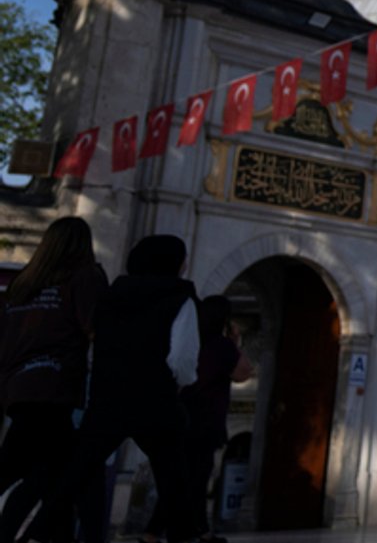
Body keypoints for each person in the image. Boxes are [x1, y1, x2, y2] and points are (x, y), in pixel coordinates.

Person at [50, 234, 201, 543]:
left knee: (76, 472)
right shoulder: (180, 297)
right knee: (174, 480)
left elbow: (94, 347)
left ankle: (42, 531)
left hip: (108, 399)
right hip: (156, 399)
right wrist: (179, 384)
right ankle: (183, 537)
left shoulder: (111, 296)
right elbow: (183, 358)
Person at [0, 217, 107, 543]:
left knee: (41, 470)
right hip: (55, 388)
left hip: (18, 388)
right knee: (50, 473)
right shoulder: (85, 277)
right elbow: (98, 330)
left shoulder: (22, 284)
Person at [162, 295, 254, 543]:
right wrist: (235, 343)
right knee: (198, 477)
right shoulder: (221, 346)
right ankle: (197, 530)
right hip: (205, 421)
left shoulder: (191, 340)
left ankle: (179, 529)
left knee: (179, 475)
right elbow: (244, 372)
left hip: (181, 417)